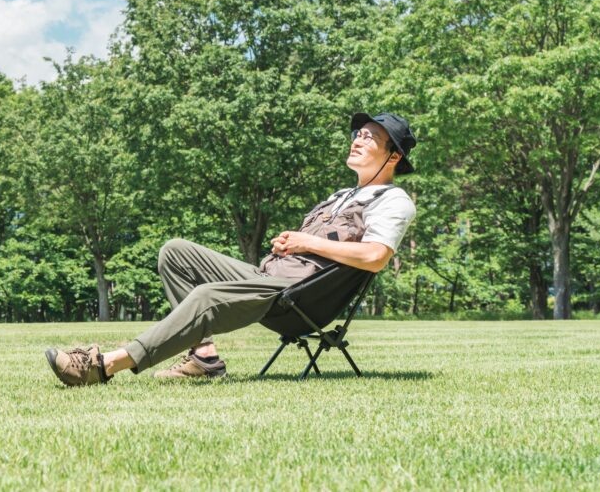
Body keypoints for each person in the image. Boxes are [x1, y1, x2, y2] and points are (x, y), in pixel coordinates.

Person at [45, 112, 418, 387]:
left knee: (207, 297)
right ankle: (204, 358)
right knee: (175, 251)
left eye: (370, 137)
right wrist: (291, 244)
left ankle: (103, 366)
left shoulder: (393, 199)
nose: (357, 139)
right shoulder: (341, 195)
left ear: (394, 156)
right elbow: (320, 248)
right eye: (358, 133)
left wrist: (306, 241)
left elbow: (375, 257)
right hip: (272, 278)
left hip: (299, 299)